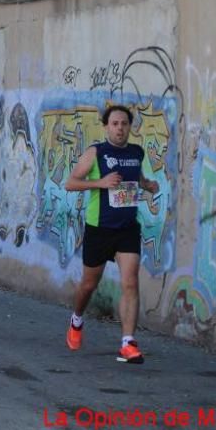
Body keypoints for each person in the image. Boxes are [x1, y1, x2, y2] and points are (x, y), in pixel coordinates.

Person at [64, 104, 159, 364]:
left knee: (130, 282)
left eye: (124, 124)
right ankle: (76, 319)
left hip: (127, 228)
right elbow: (71, 183)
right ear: (106, 127)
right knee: (89, 285)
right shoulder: (96, 153)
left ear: (130, 127)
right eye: (115, 123)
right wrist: (100, 183)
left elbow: (135, 178)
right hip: (99, 228)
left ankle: (128, 343)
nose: (120, 128)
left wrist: (147, 185)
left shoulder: (135, 152)